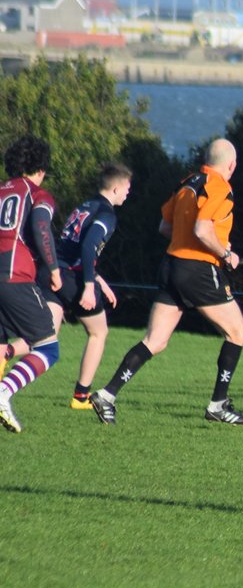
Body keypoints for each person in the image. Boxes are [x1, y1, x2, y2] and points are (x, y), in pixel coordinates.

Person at [89, 138, 243, 426]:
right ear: (232, 165)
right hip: (199, 269)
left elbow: (165, 226)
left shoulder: (188, 182)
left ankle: (107, 394)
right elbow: (202, 229)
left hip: (171, 265)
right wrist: (225, 253)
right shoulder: (220, 186)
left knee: (155, 340)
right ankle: (218, 405)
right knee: (238, 331)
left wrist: (195, 240)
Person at [0, 136, 65, 435]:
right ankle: (4, 392)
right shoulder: (38, 193)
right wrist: (54, 269)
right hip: (14, 277)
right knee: (48, 348)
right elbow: (41, 227)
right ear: (41, 169)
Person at [55, 163, 133, 410]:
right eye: (127, 188)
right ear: (116, 188)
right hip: (72, 277)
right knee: (99, 332)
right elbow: (88, 247)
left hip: (53, 272)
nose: (128, 193)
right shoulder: (107, 214)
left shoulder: (85, 206)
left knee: (44, 340)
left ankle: (5, 354)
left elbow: (71, 247)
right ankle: (81, 397)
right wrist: (89, 286)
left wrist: (99, 280)